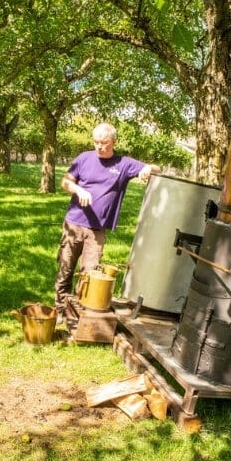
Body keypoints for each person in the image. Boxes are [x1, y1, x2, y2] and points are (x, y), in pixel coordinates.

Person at [54, 122, 158, 316]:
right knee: (65, 269)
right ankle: (59, 309)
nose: (99, 147)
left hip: (97, 231)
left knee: (90, 274)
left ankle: (78, 312)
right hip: (74, 223)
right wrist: (78, 189)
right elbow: (65, 181)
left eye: (104, 142)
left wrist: (147, 169)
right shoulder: (84, 158)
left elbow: (155, 168)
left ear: (113, 142)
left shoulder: (123, 164)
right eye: (96, 142)